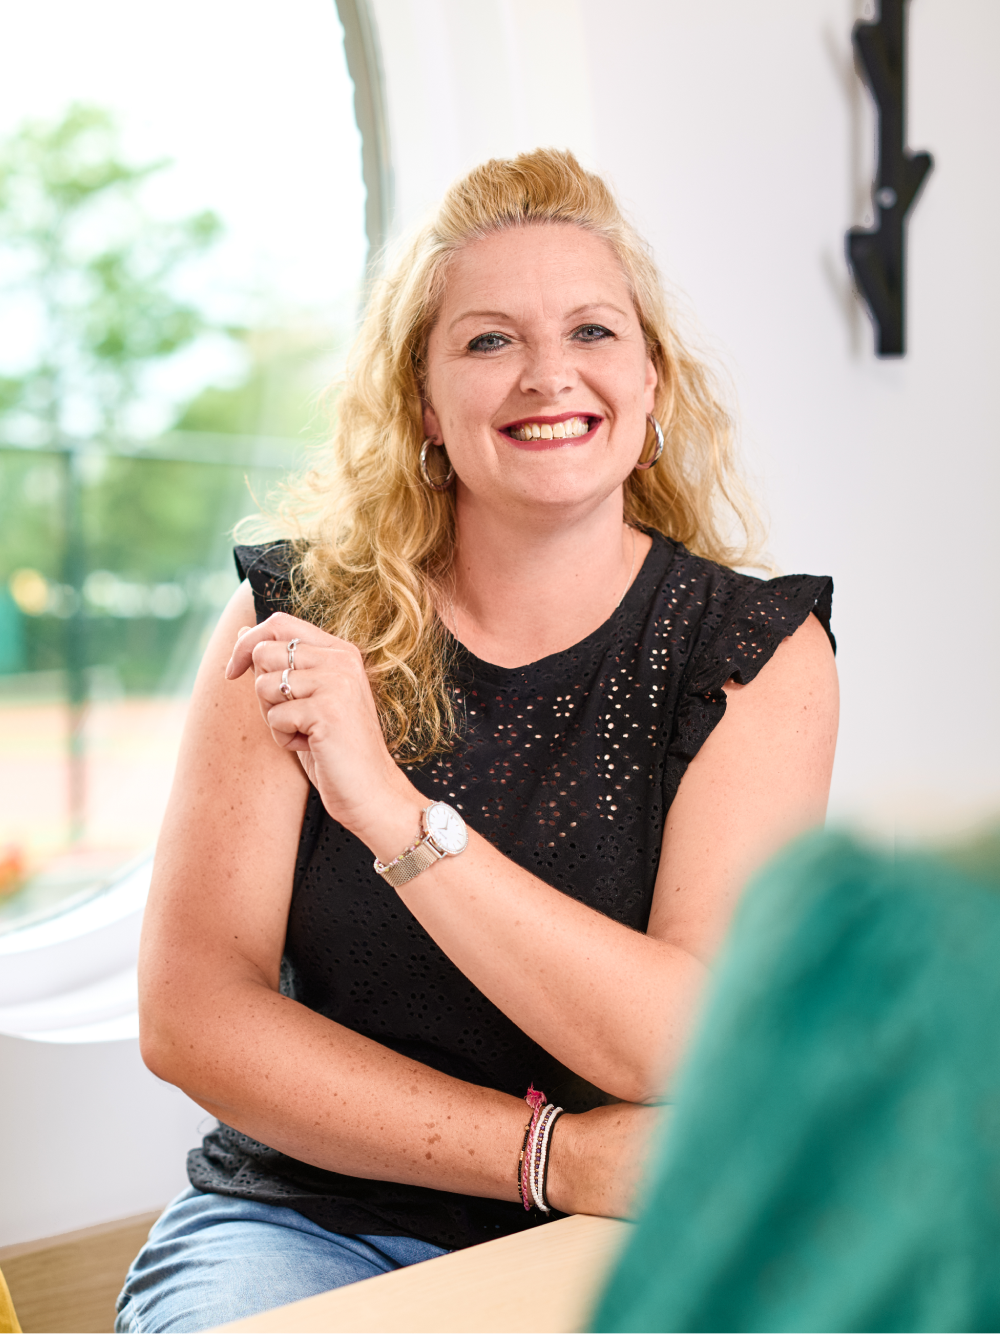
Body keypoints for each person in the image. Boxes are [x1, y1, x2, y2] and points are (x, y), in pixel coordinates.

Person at [118, 148, 838, 1333]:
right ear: (422, 406)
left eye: (595, 332)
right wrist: (549, 1153)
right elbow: (191, 1011)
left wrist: (393, 815)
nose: (550, 373)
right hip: (304, 1223)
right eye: (489, 339)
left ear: (652, 382)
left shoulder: (754, 650)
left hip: (629, 1231)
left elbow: (679, 1044)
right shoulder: (292, 621)